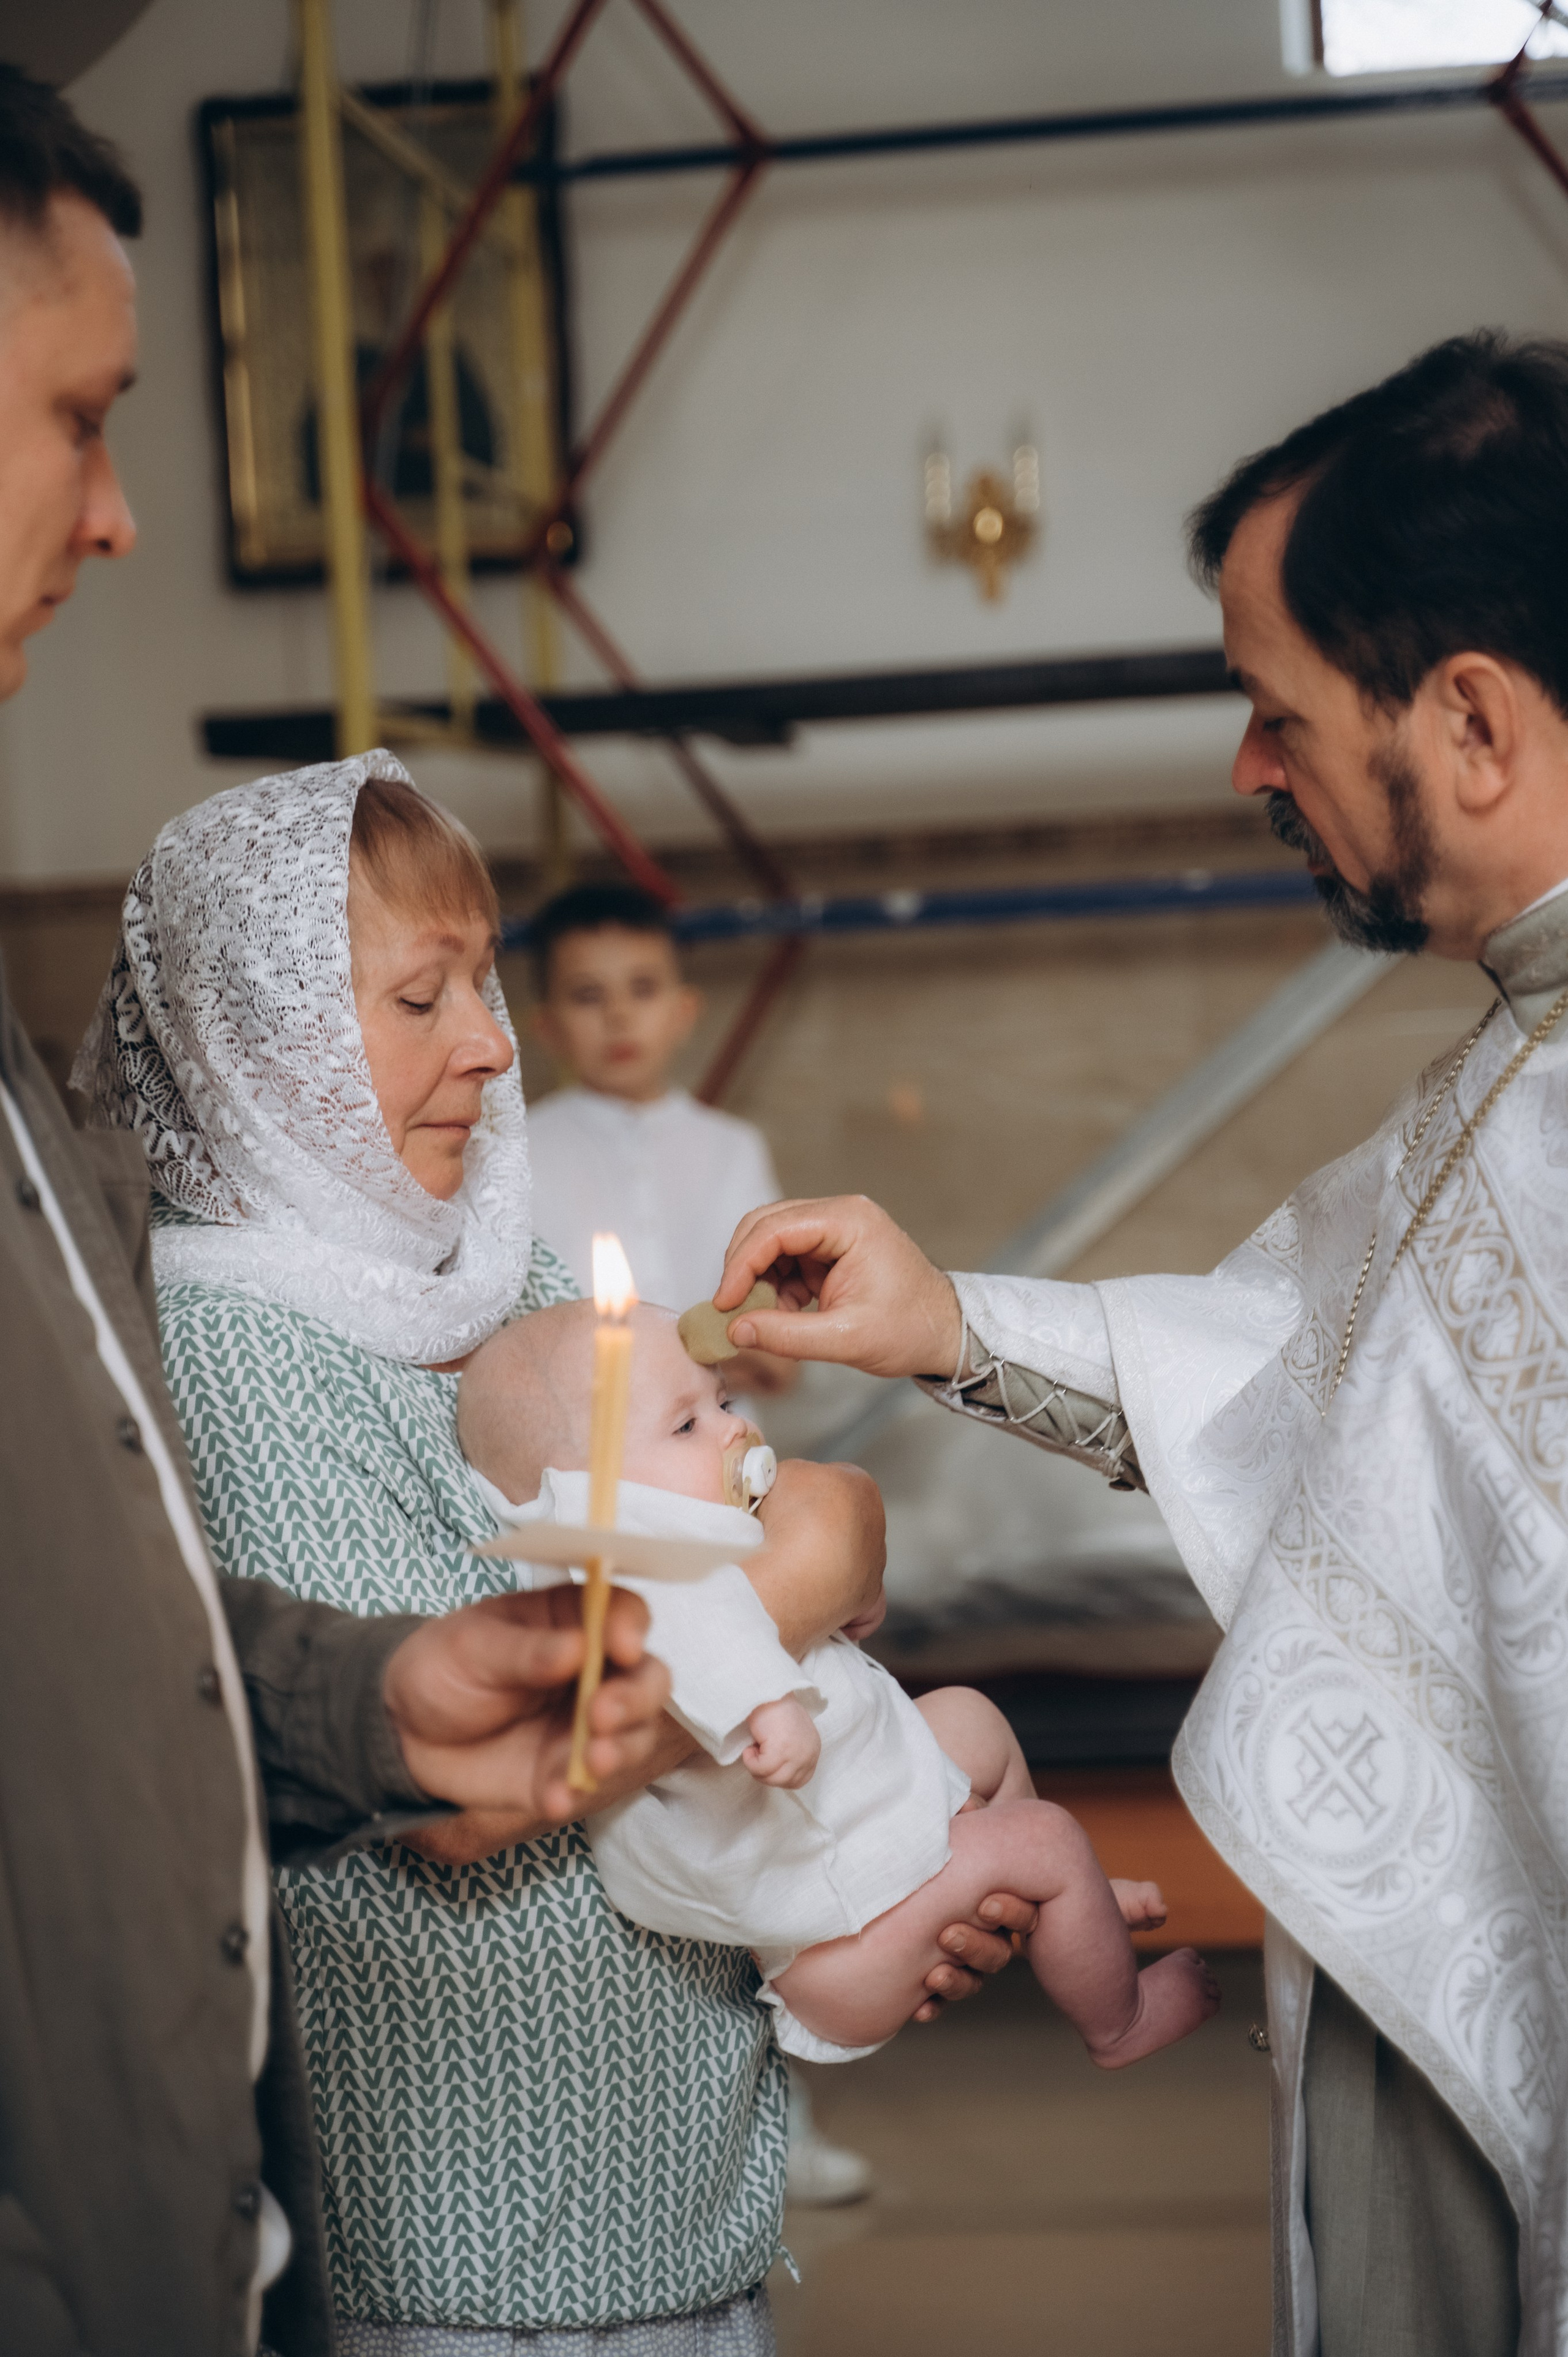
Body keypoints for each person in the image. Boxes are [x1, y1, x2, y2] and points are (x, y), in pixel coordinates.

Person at [711, 331, 1568, 2356]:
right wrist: (941, 1324)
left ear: (1465, 718)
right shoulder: (1499, 1081)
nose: (1250, 767)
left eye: (1280, 713)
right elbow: (1292, 1365)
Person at [0, 66, 671, 2357]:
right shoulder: (234, 1314)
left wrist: (381, 1695)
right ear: (275, 1033)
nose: (116, 521)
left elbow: (119, 1643)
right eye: (81, 419)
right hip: (437, 2226)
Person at [74, 752, 903, 2356]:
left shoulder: (492, 1270)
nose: (492, 1043)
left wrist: (805, 1539)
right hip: (475, 2248)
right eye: (418, 998)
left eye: (486, 978)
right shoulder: (230, 1336)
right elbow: (473, 1790)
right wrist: (808, 1562)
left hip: (678, 2191)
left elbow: (746, 1500)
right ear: (267, 1043)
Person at [458, 1300, 1216, 2069]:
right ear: (583, 1493)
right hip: (840, 1939)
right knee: (1047, 1835)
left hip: (842, 1837)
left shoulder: (678, 1531)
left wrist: (848, 1595)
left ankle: (1057, 1903)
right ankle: (1120, 2019)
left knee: (970, 1717)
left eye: (721, 1401)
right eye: (686, 1426)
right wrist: (767, 1705)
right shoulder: (620, 1565)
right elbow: (689, 1637)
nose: (733, 1430)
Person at [524, 881, 797, 1400]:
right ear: (547, 1027)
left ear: (685, 1012)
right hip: (582, 1450)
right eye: (588, 995)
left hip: (726, 1448)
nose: (619, 1016)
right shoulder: (518, 1155)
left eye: (644, 988)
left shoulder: (735, 1149)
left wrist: (773, 1354)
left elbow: (777, 1350)